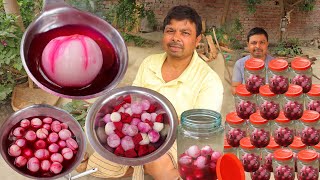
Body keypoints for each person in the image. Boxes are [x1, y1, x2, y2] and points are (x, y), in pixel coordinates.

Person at [86, 5, 224, 180]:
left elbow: (199, 130)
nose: (176, 38)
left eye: (185, 33)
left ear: (198, 40)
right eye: (170, 31)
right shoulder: (149, 63)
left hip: (179, 137)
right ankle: (136, 167)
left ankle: (181, 174)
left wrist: (161, 130)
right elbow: (134, 101)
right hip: (141, 127)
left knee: (156, 163)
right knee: (102, 158)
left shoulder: (209, 80)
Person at [231, 27, 274, 94]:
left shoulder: (275, 65)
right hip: (248, 102)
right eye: (254, 43)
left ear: (267, 44)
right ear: (248, 45)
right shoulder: (240, 64)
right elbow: (234, 88)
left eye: (262, 42)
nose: (258, 46)